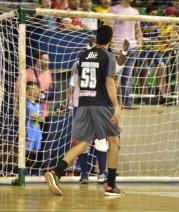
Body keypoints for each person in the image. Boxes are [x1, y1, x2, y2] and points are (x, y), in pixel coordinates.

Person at [45, 25, 122, 196]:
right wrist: (116, 106)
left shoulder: (84, 54)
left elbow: (79, 81)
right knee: (114, 141)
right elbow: (110, 82)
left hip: (83, 102)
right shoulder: (108, 56)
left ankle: (56, 171)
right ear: (110, 39)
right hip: (100, 103)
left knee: (83, 143)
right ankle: (111, 185)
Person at [108, 0, 143, 107]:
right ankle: (113, 102)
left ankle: (127, 102)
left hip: (132, 47)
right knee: (115, 76)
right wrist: (113, 45)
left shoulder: (135, 11)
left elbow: (138, 29)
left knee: (127, 76)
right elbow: (109, 29)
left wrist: (139, 43)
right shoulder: (113, 10)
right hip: (118, 47)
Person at [25, 81, 44, 176]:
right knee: (27, 151)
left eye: (36, 88)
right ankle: (25, 171)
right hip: (29, 131)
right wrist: (37, 116)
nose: (36, 90)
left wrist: (38, 117)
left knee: (35, 152)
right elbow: (29, 114)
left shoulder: (38, 105)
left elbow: (42, 117)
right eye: (32, 88)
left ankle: (34, 171)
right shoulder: (25, 103)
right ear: (27, 90)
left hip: (37, 131)